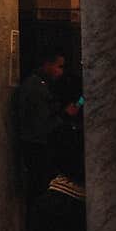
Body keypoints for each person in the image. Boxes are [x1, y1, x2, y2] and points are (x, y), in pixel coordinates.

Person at [16, 50, 66, 203]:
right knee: (39, 185)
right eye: (59, 66)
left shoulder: (38, 84)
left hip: (34, 143)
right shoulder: (36, 87)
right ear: (47, 65)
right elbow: (42, 122)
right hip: (37, 145)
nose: (61, 71)